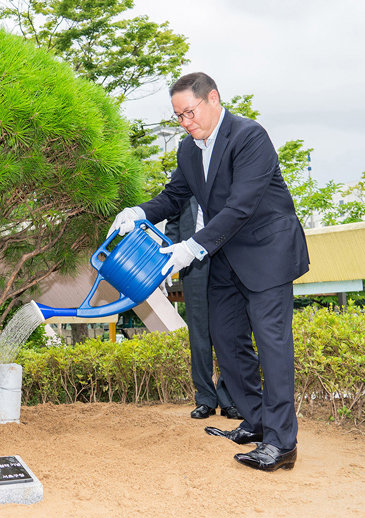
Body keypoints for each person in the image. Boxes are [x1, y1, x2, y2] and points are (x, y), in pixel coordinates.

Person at [108, 72, 308, 472]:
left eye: (189, 112)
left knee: (272, 346)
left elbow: (241, 206)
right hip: (225, 257)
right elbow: (174, 197)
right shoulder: (188, 150)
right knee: (226, 340)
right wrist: (137, 212)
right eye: (178, 116)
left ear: (213, 98)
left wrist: (189, 247)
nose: (185, 122)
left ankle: (283, 444)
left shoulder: (249, 137)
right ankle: (257, 422)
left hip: (267, 253)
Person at [165, 198, 242, 421]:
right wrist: (170, 259)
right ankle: (205, 399)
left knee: (229, 332)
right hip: (192, 263)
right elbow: (172, 223)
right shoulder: (185, 176)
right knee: (198, 334)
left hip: (226, 256)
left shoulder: (227, 171)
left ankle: (230, 399)